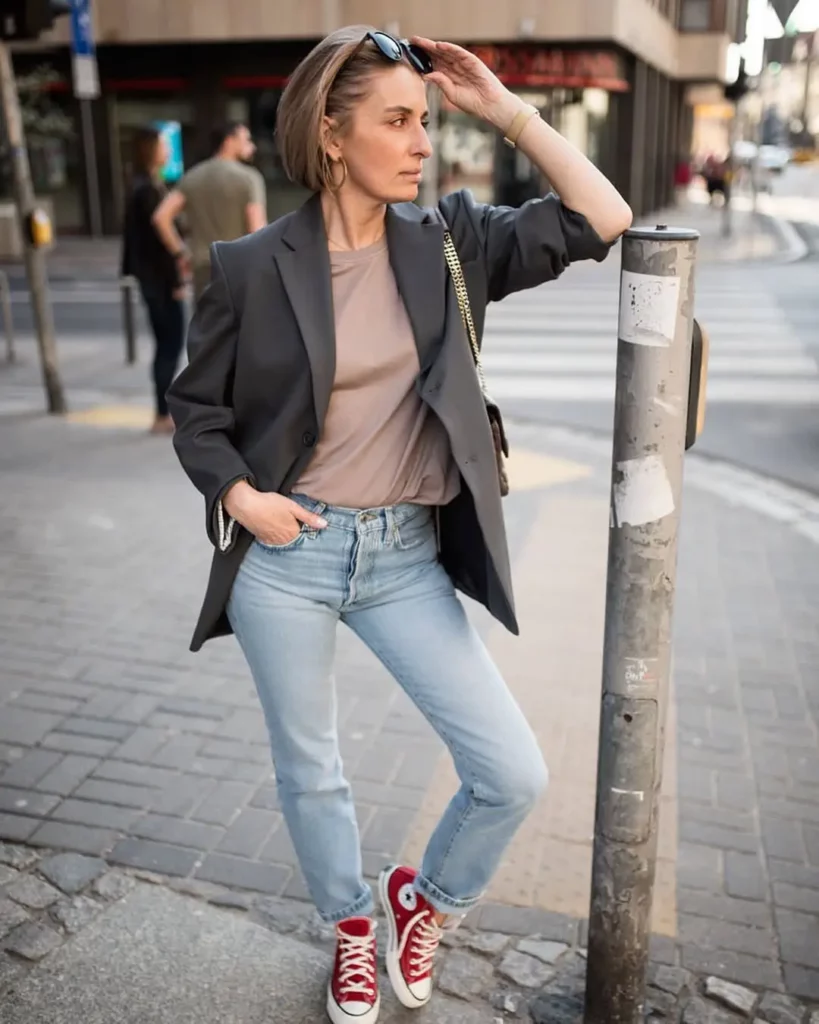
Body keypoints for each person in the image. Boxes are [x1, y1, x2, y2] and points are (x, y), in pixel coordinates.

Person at [167, 26, 632, 1024]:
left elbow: (605, 214)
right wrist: (243, 498)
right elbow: (197, 411)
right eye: (399, 122)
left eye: (426, 122)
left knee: (511, 771)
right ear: (332, 137)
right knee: (313, 770)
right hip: (289, 556)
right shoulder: (251, 266)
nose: (424, 142)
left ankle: (421, 899)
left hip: (403, 558)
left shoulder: (450, 242)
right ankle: (347, 929)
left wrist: (503, 109)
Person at [152, 121, 267, 300]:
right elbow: (257, 230)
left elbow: (161, 217)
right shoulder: (249, 179)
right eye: (246, 140)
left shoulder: (193, 176)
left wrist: (181, 252)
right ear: (229, 141)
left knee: (208, 325)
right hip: (239, 267)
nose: (252, 146)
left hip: (203, 268)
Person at [121, 126, 185, 435]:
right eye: (163, 145)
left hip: (152, 279)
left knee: (167, 343)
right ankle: (161, 414)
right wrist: (176, 276)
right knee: (169, 344)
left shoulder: (146, 186)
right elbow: (156, 244)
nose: (168, 151)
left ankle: (163, 411)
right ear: (150, 150)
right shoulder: (148, 190)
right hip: (158, 281)